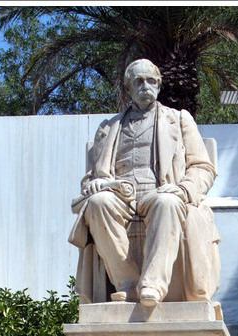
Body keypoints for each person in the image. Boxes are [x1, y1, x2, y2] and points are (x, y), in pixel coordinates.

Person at [69, 59, 221, 307]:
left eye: (151, 81)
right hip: (121, 198)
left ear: (159, 86)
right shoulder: (108, 128)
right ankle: (127, 284)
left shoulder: (179, 120)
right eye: (138, 82)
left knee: (168, 202)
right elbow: (90, 176)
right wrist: (94, 184)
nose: (145, 86)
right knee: (97, 203)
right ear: (128, 88)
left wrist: (184, 189)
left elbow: (203, 167)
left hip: (160, 192)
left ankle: (152, 284)